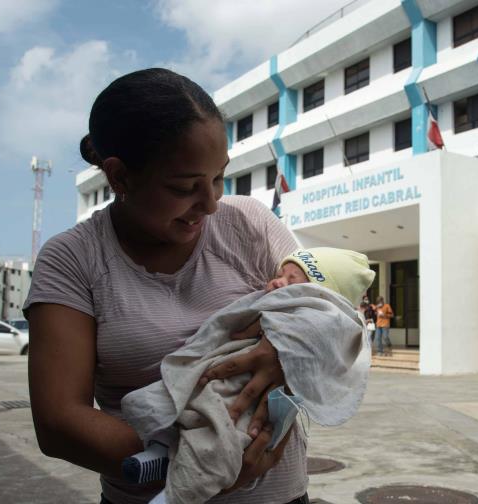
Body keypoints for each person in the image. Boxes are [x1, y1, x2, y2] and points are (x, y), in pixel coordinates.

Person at [24, 68, 310, 504]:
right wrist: (202, 465)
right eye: (184, 187)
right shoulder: (73, 260)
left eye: (218, 177)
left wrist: (293, 347)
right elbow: (59, 422)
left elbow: (331, 316)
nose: (211, 203)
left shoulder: (250, 223)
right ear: (119, 177)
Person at [120, 247, 375, 503]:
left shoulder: (327, 316)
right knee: (177, 406)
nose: (279, 281)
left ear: (318, 292)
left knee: (220, 437)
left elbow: (324, 343)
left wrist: (286, 345)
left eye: (292, 279)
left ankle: (174, 496)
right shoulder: (276, 298)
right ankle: (161, 451)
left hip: (247, 397)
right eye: (280, 274)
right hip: (221, 369)